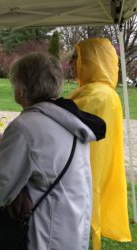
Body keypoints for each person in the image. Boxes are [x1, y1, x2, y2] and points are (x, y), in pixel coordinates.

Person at [0, 52, 106, 250]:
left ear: (22, 88)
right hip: (71, 224)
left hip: (43, 232)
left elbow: (1, 190)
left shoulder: (25, 127)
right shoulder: (69, 120)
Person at [69, 38, 132, 249]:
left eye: (77, 57)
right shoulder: (95, 91)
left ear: (93, 60)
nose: (72, 63)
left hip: (82, 170)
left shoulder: (99, 95)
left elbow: (67, 126)